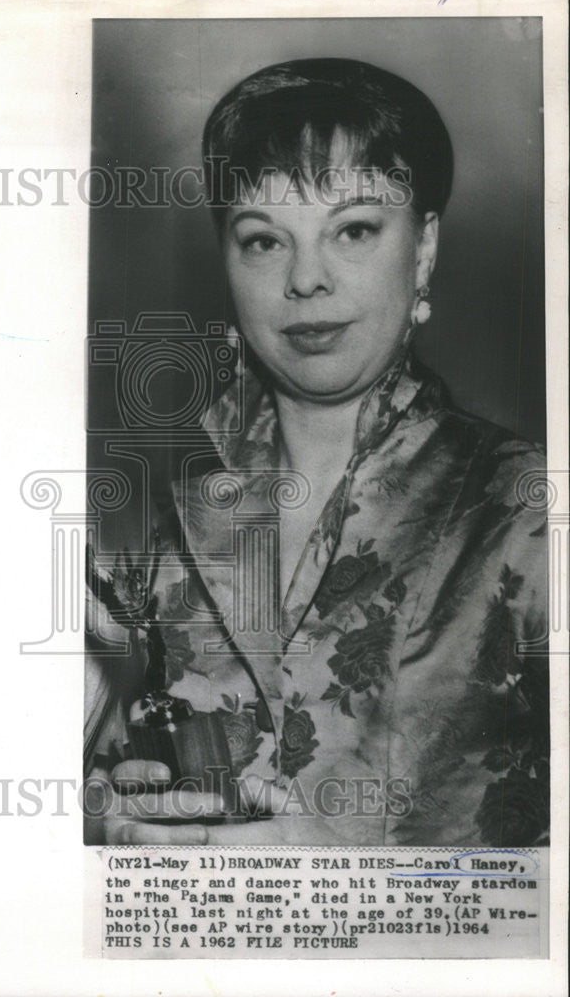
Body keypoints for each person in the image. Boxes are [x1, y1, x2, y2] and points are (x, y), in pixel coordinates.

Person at [84, 58, 549, 847]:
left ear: (424, 247)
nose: (305, 278)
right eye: (263, 241)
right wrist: (105, 819)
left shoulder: (527, 510)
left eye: (354, 230)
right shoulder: (137, 511)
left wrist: (324, 869)